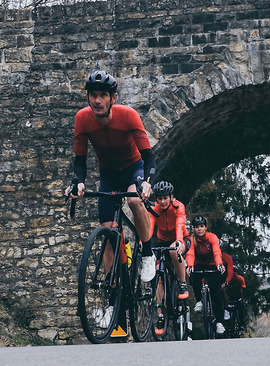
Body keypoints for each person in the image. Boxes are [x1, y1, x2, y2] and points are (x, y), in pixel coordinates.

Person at [65, 70, 157, 283]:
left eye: (103, 95)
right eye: (93, 95)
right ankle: (111, 290)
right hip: (108, 174)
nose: (97, 100)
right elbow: (80, 159)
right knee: (108, 234)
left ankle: (147, 253)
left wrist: (146, 183)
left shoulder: (128, 115)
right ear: (87, 96)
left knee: (135, 200)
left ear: (113, 98)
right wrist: (78, 183)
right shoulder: (82, 118)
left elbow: (149, 157)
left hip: (133, 169)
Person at [149, 181, 191, 335]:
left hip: (182, 239)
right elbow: (149, 227)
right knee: (158, 276)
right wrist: (142, 243)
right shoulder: (155, 209)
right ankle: (160, 314)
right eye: (159, 198)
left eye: (165, 198)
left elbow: (180, 224)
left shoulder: (178, 206)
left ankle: (182, 283)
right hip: (162, 241)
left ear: (171, 197)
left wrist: (179, 241)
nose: (162, 201)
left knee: (174, 250)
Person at [186, 215, 226, 335]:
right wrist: (190, 266)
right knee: (194, 274)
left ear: (206, 227)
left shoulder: (212, 237)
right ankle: (199, 301)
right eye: (197, 227)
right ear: (194, 228)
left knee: (216, 294)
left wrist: (219, 264)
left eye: (202, 226)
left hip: (213, 264)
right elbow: (190, 254)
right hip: (199, 263)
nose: (199, 229)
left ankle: (219, 322)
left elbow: (217, 252)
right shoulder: (191, 239)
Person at [228, 265, 247, 331]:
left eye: (235, 273)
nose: (233, 275)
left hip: (238, 297)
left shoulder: (240, 279)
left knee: (241, 309)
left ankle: (241, 324)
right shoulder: (227, 279)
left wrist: (243, 298)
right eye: (232, 273)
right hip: (229, 298)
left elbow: (243, 288)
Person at [220, 252, 234, 320]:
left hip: (224, 278)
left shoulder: (227, 258)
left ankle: (225, 309)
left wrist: (226, 282)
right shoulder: (208, 257)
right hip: (213, 276)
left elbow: (230, 273)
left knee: (224, 290)